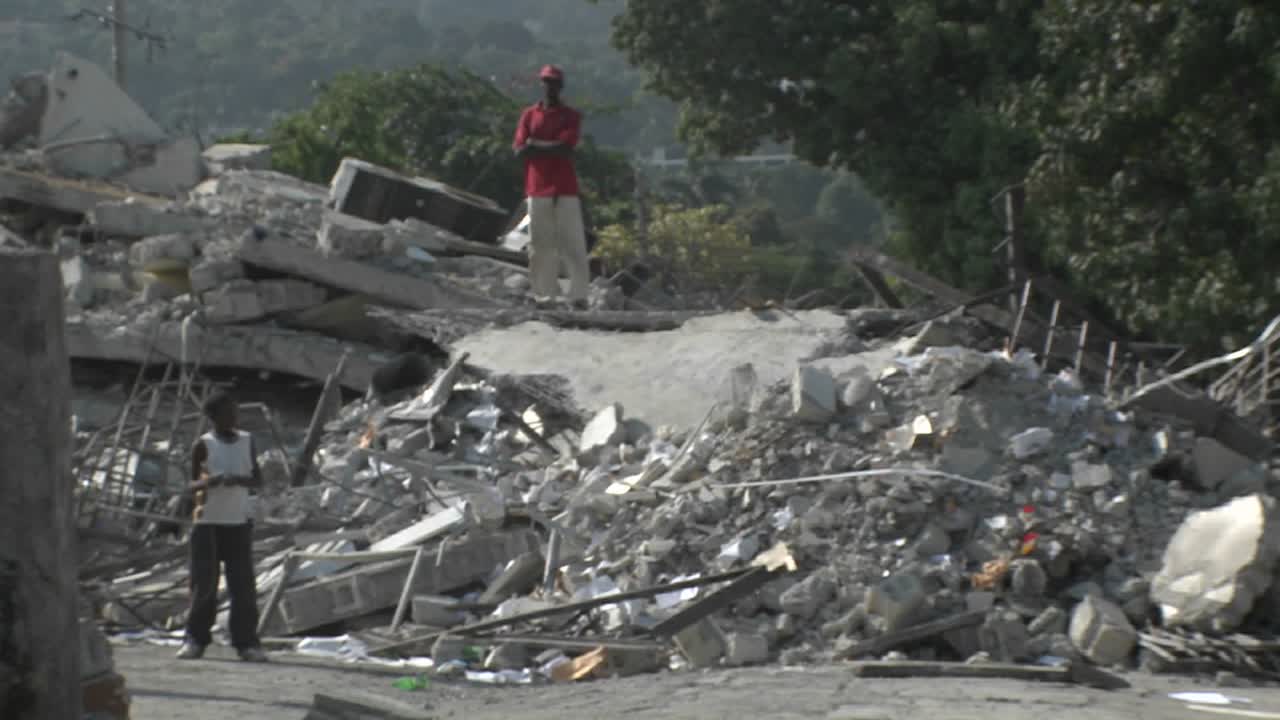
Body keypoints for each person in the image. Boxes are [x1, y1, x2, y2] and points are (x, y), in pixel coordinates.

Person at [176, 390, 268, 662]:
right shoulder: (203, 445)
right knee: (204, 585)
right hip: (207, 523)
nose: (234, 418)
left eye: (235, 413)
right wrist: (211, 482)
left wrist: (239, 480)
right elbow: (190, 485)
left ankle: (247, 643)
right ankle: (195, 640)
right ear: (213, 417)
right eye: (228, 413)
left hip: (238, 521)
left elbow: (257, 480)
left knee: (243, 586)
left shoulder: (247, 441)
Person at [512, 64, 591, 306]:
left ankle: (578, 296)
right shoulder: (529, 115)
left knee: (573, 243)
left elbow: (566, 148)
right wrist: (546, 146)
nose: (550, 87)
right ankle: (545, 295)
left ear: (560, 86)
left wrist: (537, 145)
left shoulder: (571, 116)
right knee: (540, 245)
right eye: (547, 82)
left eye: (554, 83)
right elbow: (520, 150)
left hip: (565, 188)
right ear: (541, 84)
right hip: (537, 187)